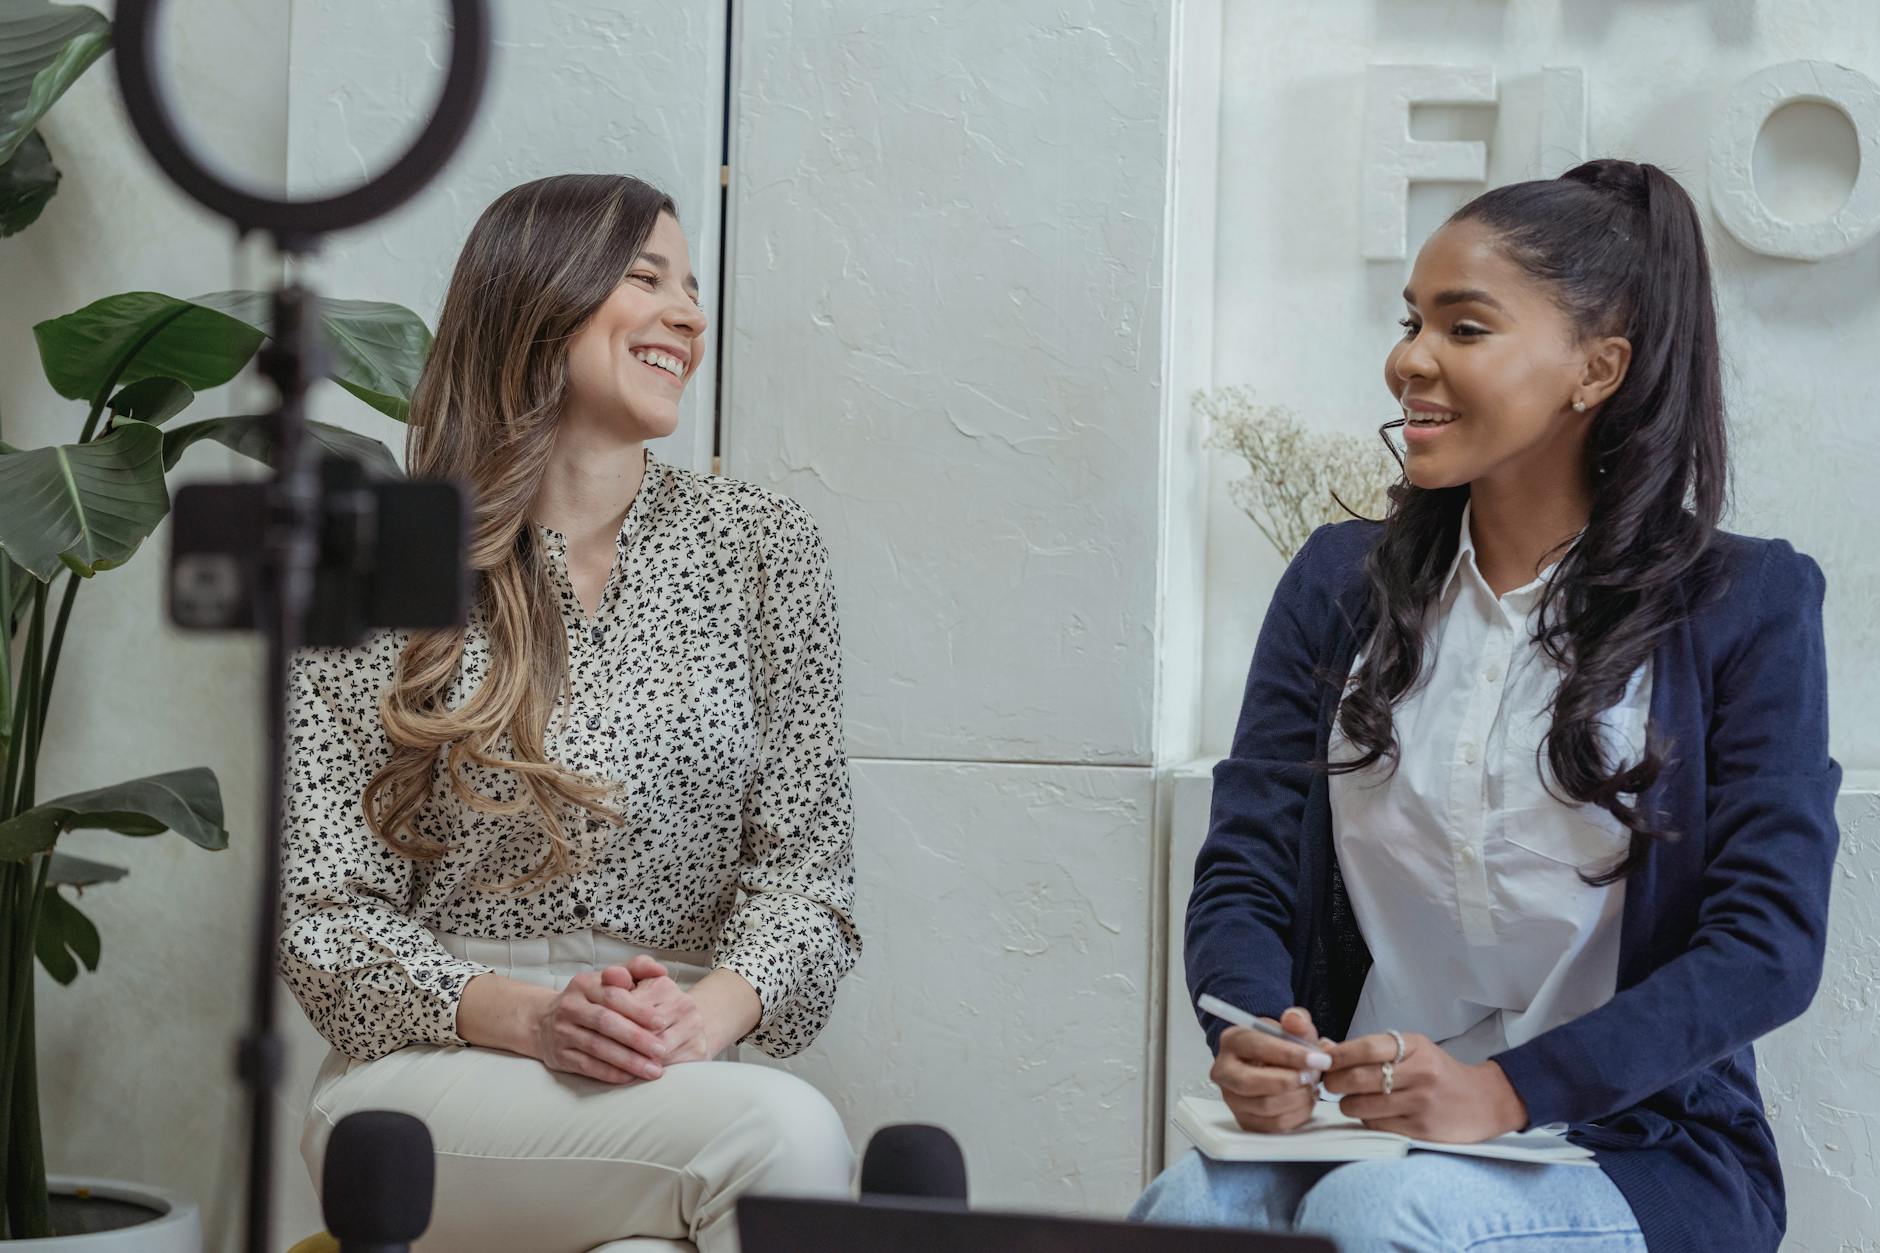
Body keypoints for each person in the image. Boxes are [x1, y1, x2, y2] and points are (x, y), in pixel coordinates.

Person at [1134, 160, 1840, 1252]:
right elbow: (1247, 865)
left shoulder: (1744, 602)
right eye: (1410, 321)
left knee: (1378, 1217)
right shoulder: (1337, 584)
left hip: (1629, 1142)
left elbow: (1766, 944)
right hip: (1360, 1122)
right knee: (1186, 1211)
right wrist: (1254, 1030)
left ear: (1595, 369)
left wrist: (1504, 1090)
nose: (1409, 359)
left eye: (1463, 328)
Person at [281, 174, 859, 1253]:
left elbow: (808, 882)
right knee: (788, 1136)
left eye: (692, 289)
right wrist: (535, 1017)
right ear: (538, 299)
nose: (688, 316)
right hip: (431, 1074)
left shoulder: (763, 549)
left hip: (678, 1074)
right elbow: (320, 915)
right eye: (646, 278)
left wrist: (702, 1016)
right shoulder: (382, 556)